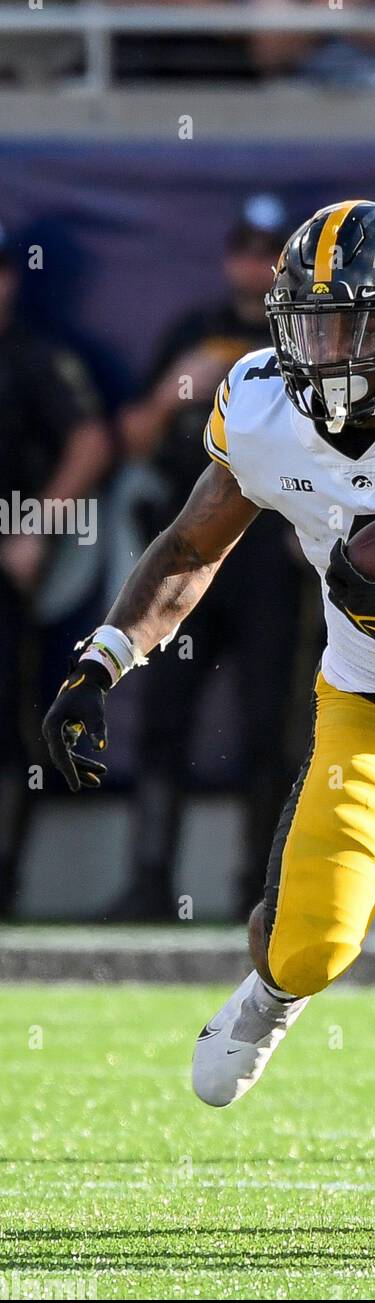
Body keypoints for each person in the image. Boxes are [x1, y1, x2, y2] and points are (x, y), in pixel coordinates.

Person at [43, 200, 375, 1243]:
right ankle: (268, 993)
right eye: (311, 322)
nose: (326, 349)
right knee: (313, 940)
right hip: (373, 713)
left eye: (354, 324)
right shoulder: (258, 405)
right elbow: (190, 545)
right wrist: (103, 659)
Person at [108, 195, 308, 921]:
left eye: (270, 252)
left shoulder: (307, 340)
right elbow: (132, 434)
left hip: (267, 559)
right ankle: (149, 880)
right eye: (245, 249)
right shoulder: (191, 333)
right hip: (190, 547)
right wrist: (175, 388)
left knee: (270, 723)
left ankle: (259, 889)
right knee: (164, 712)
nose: (255, 266)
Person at [0, 221, 112, 917]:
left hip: (8, 569)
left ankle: (5, 884)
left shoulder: (34, 359)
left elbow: (92, 440)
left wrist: (33, 529)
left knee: (13, 723)